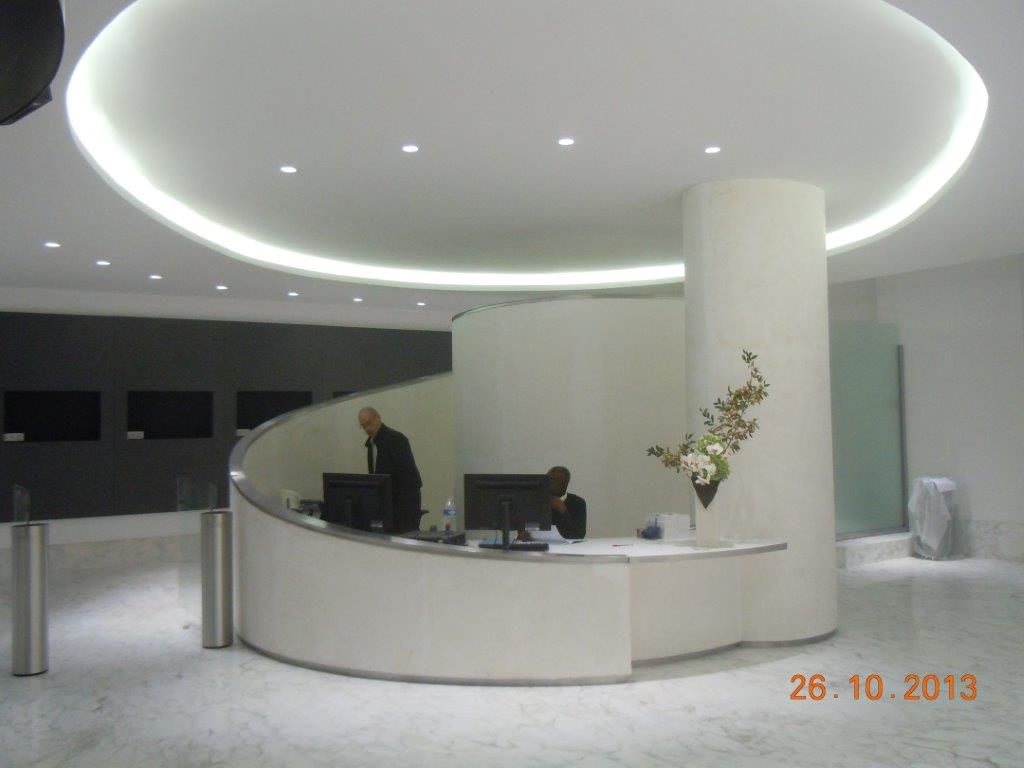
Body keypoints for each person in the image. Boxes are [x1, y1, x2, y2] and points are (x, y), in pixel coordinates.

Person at [358, 407, 422, 534]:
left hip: (403, 504)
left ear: (378, 418)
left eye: (369, 423)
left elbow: (408, 478)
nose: (367, 429)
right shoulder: (371, 445)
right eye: (363, 426)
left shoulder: (397, 439)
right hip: (385, 504)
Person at [547, 465, 586, 539]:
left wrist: (563, 510)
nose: (548, 484)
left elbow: (579, 534)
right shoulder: (538, 501)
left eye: (553, 481)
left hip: (567, 545)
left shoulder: (578, 503)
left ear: (564, 484)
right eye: (547, 480)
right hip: (540, 543)